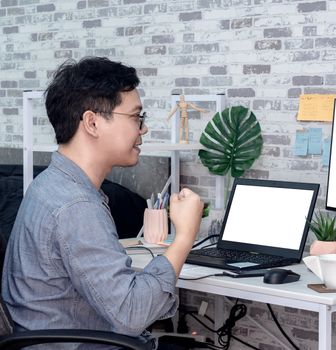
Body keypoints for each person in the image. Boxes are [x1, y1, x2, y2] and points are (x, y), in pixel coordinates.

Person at [1, 57, 204, 349]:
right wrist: (184, 236)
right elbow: (131, 314)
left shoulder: (50, 183)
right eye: (136, 117)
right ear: (92, 122)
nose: (143, 129)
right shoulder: (76, 205)